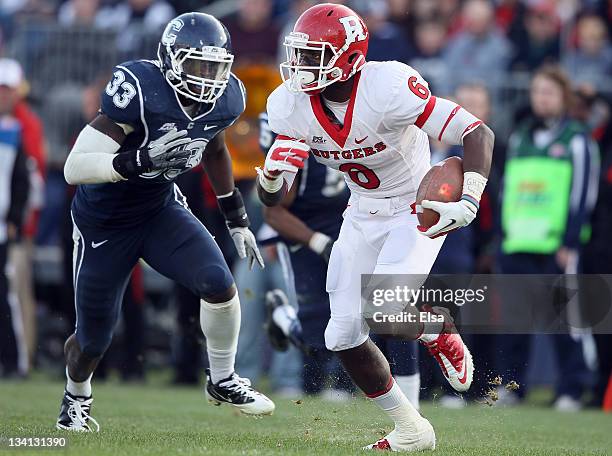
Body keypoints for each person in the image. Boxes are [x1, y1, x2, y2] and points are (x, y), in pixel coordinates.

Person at [257, 4, 494, 451]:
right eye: (300, 54)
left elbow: (477, 132)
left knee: (382, 311)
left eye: (314, 56)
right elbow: (275, 201)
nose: (302, 67)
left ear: (349, 58)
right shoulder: (288, 104)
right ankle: (412, 428)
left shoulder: (387, 86)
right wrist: (269, 180)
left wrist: (470, 198)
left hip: (415, 207)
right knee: (341, 334)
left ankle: (437, 329)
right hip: (361, 210)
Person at [56, 12, 275, 432]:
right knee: (93, 339)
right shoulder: (140, 90)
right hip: (105, 220)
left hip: (158, 208)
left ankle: (223, 378)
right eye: (197, 64)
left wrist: (237, 220)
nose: (208, 76)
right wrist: (138, 159)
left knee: (219, 284)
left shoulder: (227, 97)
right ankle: (76, 397)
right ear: (171, 59)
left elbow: (213, 149)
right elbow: (75, 167)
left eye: (215, 66)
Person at [497, 65, 599, 411]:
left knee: (564, 321)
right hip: (517, 243)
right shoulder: (520, 135)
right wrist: (504, 234)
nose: (542, 99)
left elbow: (584, 194)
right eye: (537, 91)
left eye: (549, 93)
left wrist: (569, 241)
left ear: (564, 98)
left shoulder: (577, 139)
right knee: (514, 322)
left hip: (554, 245)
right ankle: (513, 387)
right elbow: (508, 189)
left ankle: (572, 389)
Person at [0, 61, 30, 378]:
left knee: (5, 297)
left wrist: (15, 220)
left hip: (2, 225)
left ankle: (13, 361)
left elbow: (22, 180)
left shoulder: (16, 129)